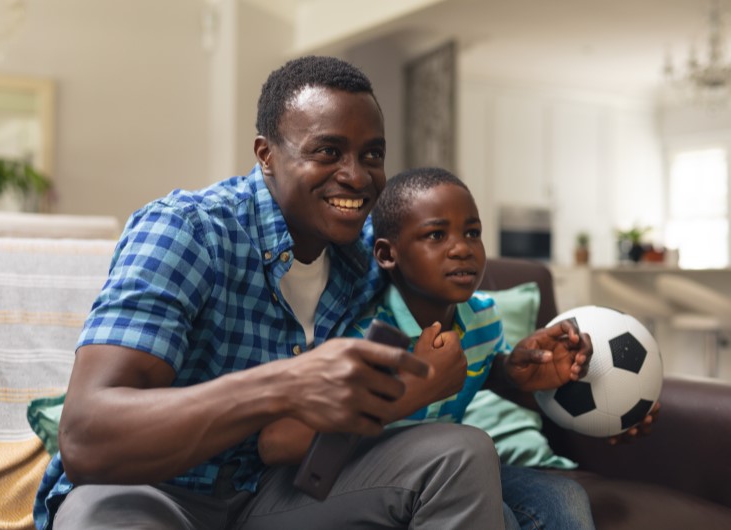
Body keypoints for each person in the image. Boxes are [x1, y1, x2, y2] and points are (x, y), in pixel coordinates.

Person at [33, 56, 507, 529]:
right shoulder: (187, 231)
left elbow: (448, 293)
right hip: (148, 490)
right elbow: (87, 439)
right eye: (327, 151)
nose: (357, 177)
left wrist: (519, 368)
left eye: (372, 155)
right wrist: (286, 384)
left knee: (459, 454)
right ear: (266, 155)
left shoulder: (364, 252)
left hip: (277, 493)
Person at [257, 167, 625, 529]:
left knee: (564, 498)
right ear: (388, 254)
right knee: (504, 518)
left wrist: (514, 370)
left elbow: (485, 372)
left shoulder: (483, 318)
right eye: (436, 235)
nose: (461, 248)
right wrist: (408, 388)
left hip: (449, 474)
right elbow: (279, 442)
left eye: (472, 232)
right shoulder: (363, 333)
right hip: (359, 477)